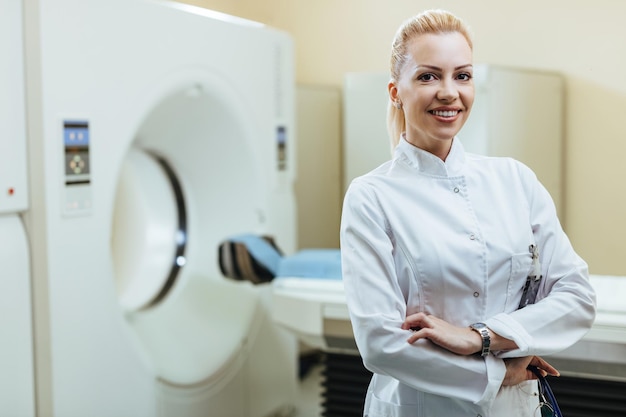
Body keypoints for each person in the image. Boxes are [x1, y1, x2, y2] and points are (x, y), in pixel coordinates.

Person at [339, 9, 596, 417]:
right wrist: (498, 374)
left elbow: (577, 297)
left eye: (462, 75)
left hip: (516, 408)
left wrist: (481, 338)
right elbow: (379, 343)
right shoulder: (372, 196)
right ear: (394, 91)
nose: (448, 92)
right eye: (428, 76)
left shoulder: (515, 179)